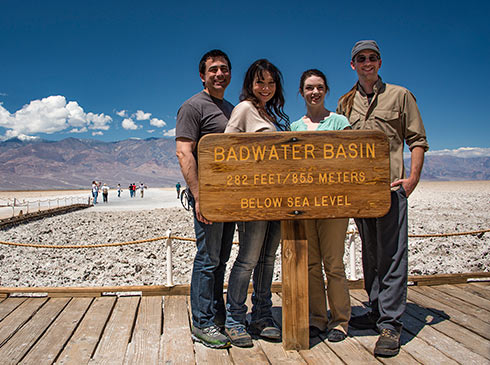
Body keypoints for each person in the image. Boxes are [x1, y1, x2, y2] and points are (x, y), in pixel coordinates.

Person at [337, 40, 429, 357]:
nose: (367, 63)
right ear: (353, 64)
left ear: (380, 62)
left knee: (392, 255)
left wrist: (413, 179)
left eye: (372, 58)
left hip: (390, 189)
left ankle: (391, 324)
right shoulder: (345, 103)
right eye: (361, 58)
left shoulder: (400, 96)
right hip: (360, 192)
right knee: (371, 255)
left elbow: (417, 139)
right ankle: (376, 311)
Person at [223, 59, 289, 347]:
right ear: (250, 84)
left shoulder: (269, 115)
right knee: (248, 258)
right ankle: (235, 318)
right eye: (260, 82)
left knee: (267, 258)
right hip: (252, 200)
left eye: (271, 83)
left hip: (277, 199)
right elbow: (226, 151)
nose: (266, 87)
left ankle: (262, 315)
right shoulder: (244, 110)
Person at [175, 49, 236, 349]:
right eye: (213, 69)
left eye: (224, 69)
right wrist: (199, 196)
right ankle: (201, 323)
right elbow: (184, 152)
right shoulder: (193, 107)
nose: (219, 74)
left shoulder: (231, 109)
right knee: (207, 259)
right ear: (202, 75)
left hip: (230, 198)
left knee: (221, 259)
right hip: (208, 197)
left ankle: (215, 315)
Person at [290, 69, 351, 342]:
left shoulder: (340, 122)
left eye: (319, 87)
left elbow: (352, 158)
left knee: (334, 264)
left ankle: (340, 321)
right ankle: (317, 318)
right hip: (304, 205)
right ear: (301, 93)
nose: (314, 92)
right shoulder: (294, 128)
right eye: (309, 88)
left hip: (334, 204)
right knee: (312, 264)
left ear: (326, 91)